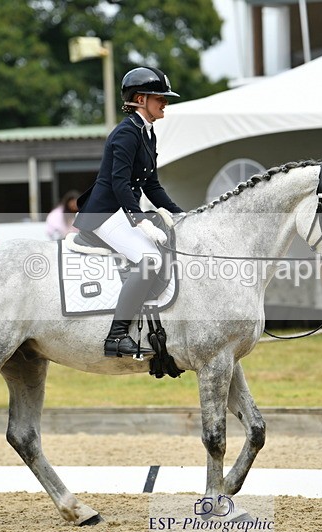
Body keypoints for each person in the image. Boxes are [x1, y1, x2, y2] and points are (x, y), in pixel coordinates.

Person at [72, 66, 183, 357]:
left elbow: (152, 186)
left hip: (121, 210)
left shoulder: (148, 135)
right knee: (149, 259)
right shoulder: (126, 133)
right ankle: (116, 336)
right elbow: (120, 184)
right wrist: (140, 221)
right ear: (141, 99)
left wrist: (181, 214)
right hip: (105, 213)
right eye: (160, 98)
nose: (165, 103)